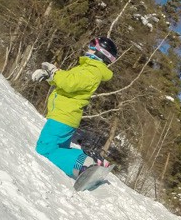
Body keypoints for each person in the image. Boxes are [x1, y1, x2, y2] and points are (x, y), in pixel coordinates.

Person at [31, 37, 117, 178]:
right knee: (59, 150)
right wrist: (49, 76)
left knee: (45, 149)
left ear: (101, 53)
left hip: (63, 116)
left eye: (92, 46)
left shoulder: (92, 71)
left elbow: (69, 83)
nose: (88, 48)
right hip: (64, 115)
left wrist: (55, 72)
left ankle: (88, 164)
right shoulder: (88, 68)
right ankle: (87, 162)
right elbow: (69, 82)